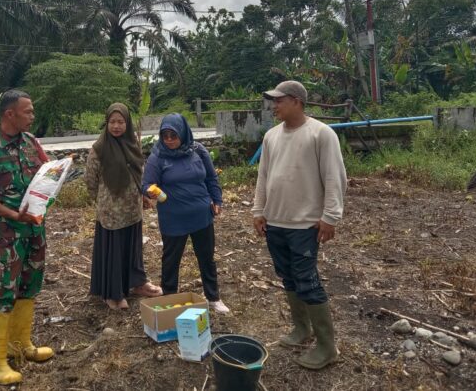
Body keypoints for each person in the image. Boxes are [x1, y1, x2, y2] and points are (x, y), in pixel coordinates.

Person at [251, 80, 347, 370]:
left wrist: (330, 217)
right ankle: (301, 329)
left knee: (308, 281)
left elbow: (334, 177)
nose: (274, 106)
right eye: (273, 101)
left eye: (279, 101)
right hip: (275, 221)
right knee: (288, 277)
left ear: (296, 101)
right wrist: (258, 210)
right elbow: (263, 175)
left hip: (305, 224)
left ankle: (327, 347)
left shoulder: (321, 134)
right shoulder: (271, 136)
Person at [0, 90, 54, 385]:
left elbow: (46, 172)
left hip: (35, 226)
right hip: (7, 233)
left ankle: (21, 347)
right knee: (4, 288)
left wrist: (58, 174)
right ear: (10, 114)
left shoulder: (31, 143)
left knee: (30, 283)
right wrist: (12, 214)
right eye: (27, 111)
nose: (32, 116)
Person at [143, 113, 230, 314]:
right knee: (171, 259)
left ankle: (213, 297)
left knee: (206, 257)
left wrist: (217, 200)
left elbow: (211, 178)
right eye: (165, 136)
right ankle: (170, 298)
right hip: (173, 217)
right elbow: (146, 183)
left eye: (173, 135)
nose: (169, 140)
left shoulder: (198, 151)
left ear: (183, 133)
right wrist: (150, 190)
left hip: (201, 215)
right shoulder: (158, 157)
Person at [85, 103, 162, 310]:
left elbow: (139, 173)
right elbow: (90, 181)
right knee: (115, 249)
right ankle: (113, 293)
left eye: (121, 122)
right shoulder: (99, 148)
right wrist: (102, 201)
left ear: (126, 124)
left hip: (132, 209)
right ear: (106, 123)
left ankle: (137, 283)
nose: (116, 126)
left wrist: (144, 196)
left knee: (133, 247)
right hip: (111, 212)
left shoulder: (133, 144)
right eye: (112, 122)